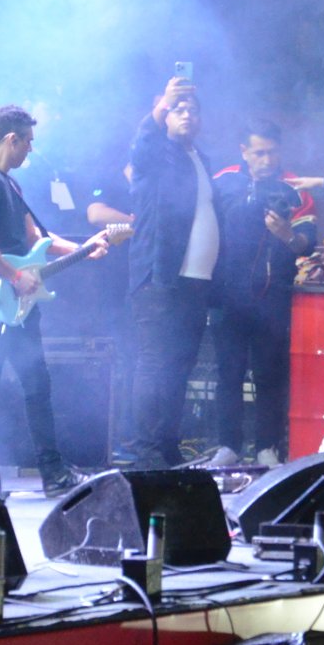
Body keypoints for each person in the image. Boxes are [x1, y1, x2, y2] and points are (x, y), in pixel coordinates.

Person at [0, 105, 108, 495]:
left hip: (16, 304)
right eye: (28, 143)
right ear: (12, 139)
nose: (30, 151)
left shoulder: (8, 184)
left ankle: (53, 474)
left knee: (36, 385)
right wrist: (14, 276)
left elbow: (32, 239)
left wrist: (82, 248)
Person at [127, 77, 225, 468]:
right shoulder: (156, 153)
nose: (186, 114)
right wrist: (160, 106)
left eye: (192, 109)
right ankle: (146, 452)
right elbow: (141, 145)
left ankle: (167, 446)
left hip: (195, 281)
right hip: (161, 278)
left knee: (181, 366)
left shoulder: (200, 156)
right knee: (155, 363)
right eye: (176, 109)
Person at [209, 120, 316, 464]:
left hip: (274, 294)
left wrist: (286, 234)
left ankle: (267, 446)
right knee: (229, 372)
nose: (267, 159)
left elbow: (305, 244)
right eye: (259, 152)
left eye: (272, 152)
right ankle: (229, 445)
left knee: (270, 372)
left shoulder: (295, 188)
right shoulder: (222, 181)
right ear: (244, 152)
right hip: (226, 292)